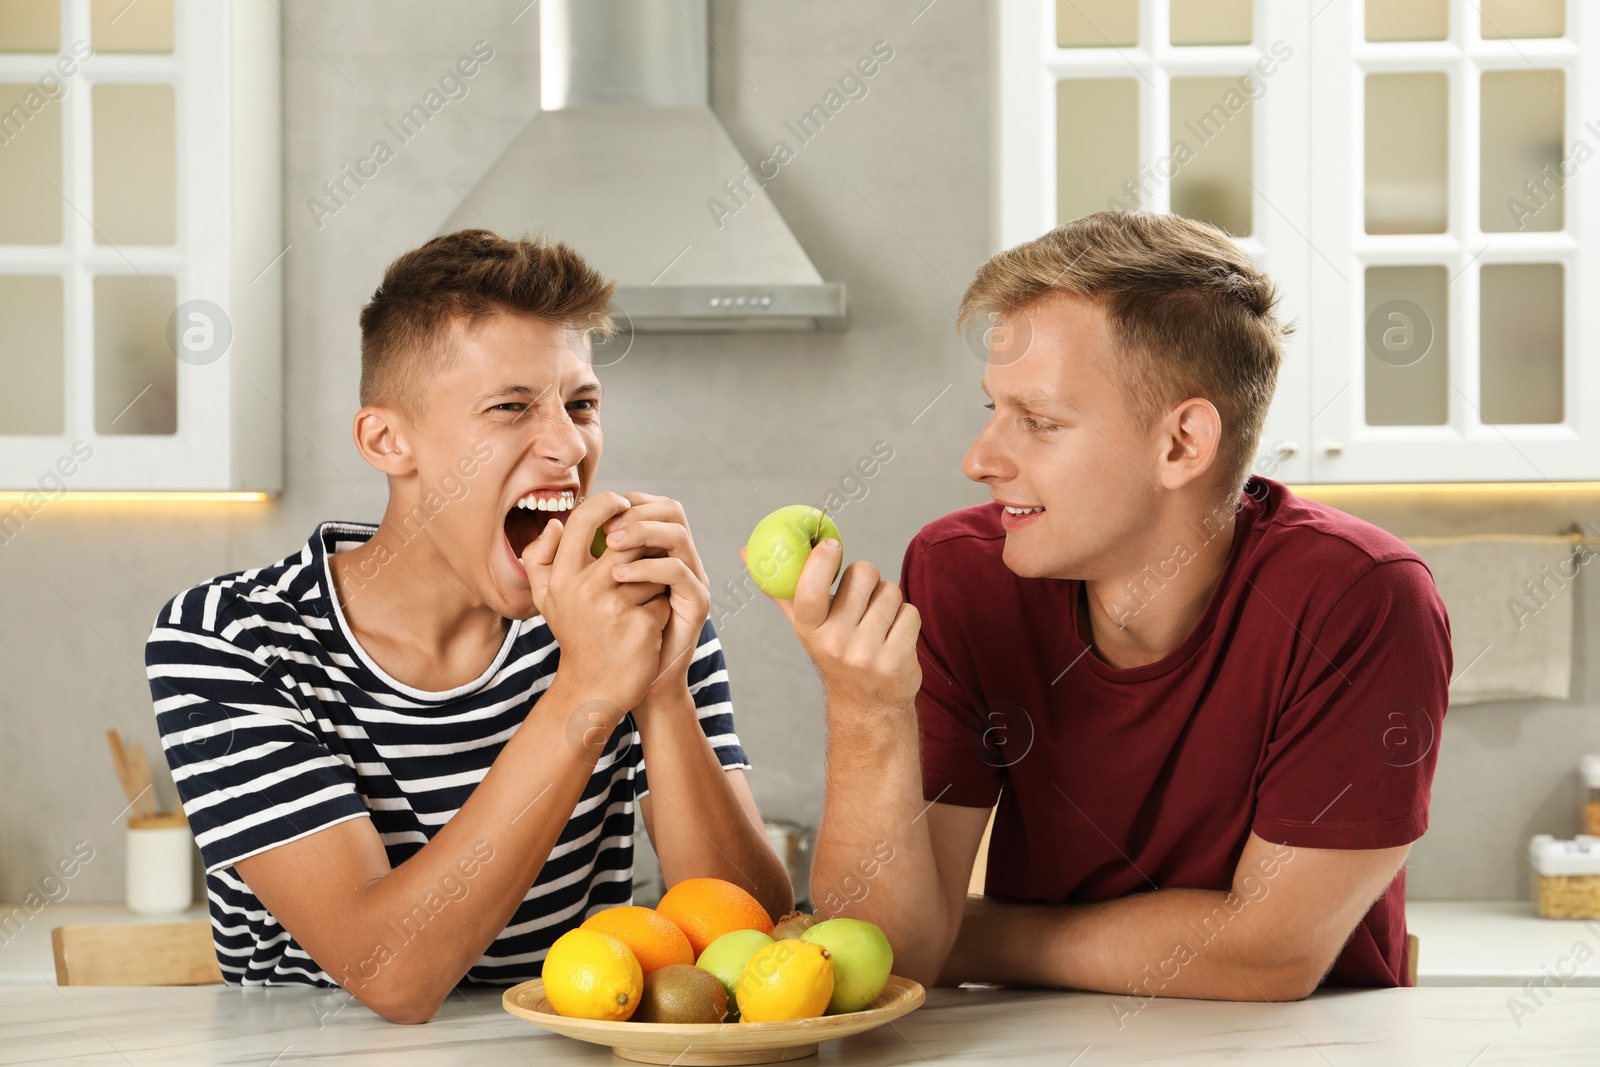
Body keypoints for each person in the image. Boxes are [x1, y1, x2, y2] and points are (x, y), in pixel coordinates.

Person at [767, 212, 1451, 1008]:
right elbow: (882, 957)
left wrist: (975, 934)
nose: (980, 458)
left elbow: (1269, 958)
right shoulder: (960, 576)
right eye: (991, 409)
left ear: (1181, 445)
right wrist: (863, 709)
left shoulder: (1361, 598)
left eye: (1040, 422)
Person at [145, 230, 791, 1023]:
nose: (568, 445)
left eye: (582, 404)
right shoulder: (228, 639)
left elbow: (749, 946)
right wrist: (587, 690)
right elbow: (392, 973)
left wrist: (660, 688)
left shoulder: (628, 609)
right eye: (511, 407)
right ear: (388, 441)